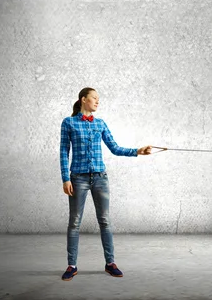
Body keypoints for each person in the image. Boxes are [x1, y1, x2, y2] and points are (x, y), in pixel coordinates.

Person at [60, 87, 152, 281]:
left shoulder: (100, 123)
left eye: (98, 99)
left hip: (100, 178)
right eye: (94, 98)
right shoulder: (68, 123)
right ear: (83, 99)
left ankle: (110, 263)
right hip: (78, 178)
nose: (97, 101)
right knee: (74, 222)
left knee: (105, 221)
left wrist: (138, 151)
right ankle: (71, 265)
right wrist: (65, 178)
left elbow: (115, 148)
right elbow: (63, 152)